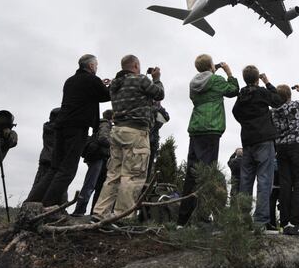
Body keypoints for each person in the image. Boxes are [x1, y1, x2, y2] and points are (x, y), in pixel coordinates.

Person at [27, 54, 110, 208]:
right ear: (91, 66)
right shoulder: (92, 80)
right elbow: (106, 95)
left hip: (61, 126)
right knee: (67, 170)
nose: (97, 67)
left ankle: (31, 204)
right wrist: (111, 85)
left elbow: (91, 93)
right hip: (77, 128)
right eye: (96, 65)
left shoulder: (70, 80)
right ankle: (46, 208)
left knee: (55, 168)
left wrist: (101, 85)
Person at [91, 55, 163, 224]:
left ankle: (100, 213)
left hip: (118, 131)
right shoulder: (140, 80)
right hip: (136, 132)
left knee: (113, 175)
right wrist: (157, 79)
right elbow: (159, 94)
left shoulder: (115, 85)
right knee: (132, 176)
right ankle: (122, 218)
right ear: (136, 65)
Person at [177, 55, 239, 227]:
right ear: (211, 65)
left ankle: (182, 220)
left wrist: (211, 70)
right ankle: (203, 217)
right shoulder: (217, 80)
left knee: (192, 173)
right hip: (211, 128)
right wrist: (228, 72)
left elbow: (206, 82)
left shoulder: (193, 83)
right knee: (207, 174)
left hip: (196, 128)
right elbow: (233, 90)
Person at [232, 65, 284, 233]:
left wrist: (247, 123)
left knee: (245, 181)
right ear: (256, 79)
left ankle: (243, 221)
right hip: (264, 140)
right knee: (264, 181)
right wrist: (267, 82)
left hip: (248, 141)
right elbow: (278, 100)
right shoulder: (261, 92)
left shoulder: (241, 96)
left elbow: (235, 112)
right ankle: (260, 222)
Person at [271, 83, 299, 236]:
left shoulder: (274, 111)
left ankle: (285, 222)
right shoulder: (296, 105)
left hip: (281, 148)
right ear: (289, 95)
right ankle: (296, 222)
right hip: (296, 146)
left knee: (285, 184)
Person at [72, 110, 113, 216]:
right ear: (112, 117)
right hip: (98, 157)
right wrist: (115, 145)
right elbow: (103, 138)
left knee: (98, 186)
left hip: (100, 158)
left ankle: (94, 212)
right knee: (90, 184)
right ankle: (79, 211)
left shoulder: (100, 124)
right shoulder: (105, 124)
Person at [31, 108, 61, 194]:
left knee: (38, 185)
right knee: (53, 186)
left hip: (45, 158)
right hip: (53, 160)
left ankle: (31, 202)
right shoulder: (57, 129)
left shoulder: (47, 127)